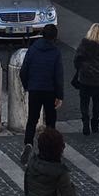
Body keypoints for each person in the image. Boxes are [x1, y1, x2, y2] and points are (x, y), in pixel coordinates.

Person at [20, 24, 65, 160]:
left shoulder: (33, 49)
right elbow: (58, 76)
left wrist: (28, 86)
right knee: (51, 121)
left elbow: (23, 71)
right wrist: (59, 95)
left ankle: (28, 143)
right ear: (54, 37)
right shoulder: (56, 52)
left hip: (34, 89)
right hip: (50, 91)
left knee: (32, 120)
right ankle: (50, 148)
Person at [73, 23, 99, 134]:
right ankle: (95, 124)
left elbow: (77, 59)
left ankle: (85, 124)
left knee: (84, 101)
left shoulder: (84, 44)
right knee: (96, 101)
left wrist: (81, 67)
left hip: (86, 78)